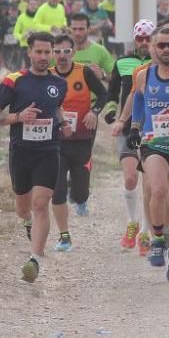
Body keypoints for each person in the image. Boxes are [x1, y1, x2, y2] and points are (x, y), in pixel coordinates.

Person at [0, 31, 73, 282]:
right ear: (30, 52)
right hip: (21, 152)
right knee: (23, 208)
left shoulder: (59, 83)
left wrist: (63, 123)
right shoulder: (14, 81)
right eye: (39, 52)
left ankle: (34, 259)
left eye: (49, 52)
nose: (44, 57)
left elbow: (56, 107)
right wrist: (18, 117)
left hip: (48, 151)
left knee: (40, 204)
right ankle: (27, 224)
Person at [128, 27, 169, 280]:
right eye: (161, 45)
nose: (166, 49)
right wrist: (134, 127)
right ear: (153, 48)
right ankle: (157, 239)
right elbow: (138, 100)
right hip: (154, 144)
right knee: (157, 190)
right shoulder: (144, 76)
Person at [105, 20, 155, 254]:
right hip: (127, 128)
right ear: (134, 40)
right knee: (130, 179)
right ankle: (132, 223)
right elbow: (112, 94)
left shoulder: (163, 64)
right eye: (140, 39)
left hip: (154, 130)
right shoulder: (123, 62)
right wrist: (113, 115)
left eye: (148, 38)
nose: (144, 43)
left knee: (150, 186)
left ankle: (145, 232)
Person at [50, 34, 106, 234]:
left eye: (66, 51)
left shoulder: (84, 72)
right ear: (52, 53)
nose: (62, 55)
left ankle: (81, 198)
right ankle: (62, 228)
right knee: (57, 189)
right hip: (55, 139)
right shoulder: (48, 75)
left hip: (82, 136)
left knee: (80, 189)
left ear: (73, 52)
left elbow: (103, 94)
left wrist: (94, 111)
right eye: (57, 51)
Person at [68, 13, 114, 80]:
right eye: (74, 29)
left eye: (81, 29)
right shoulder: (61, 51)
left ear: (89, 29)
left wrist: (102, 75)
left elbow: (115, 76)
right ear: (70, 29)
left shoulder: (100, 50)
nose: (77, 33)